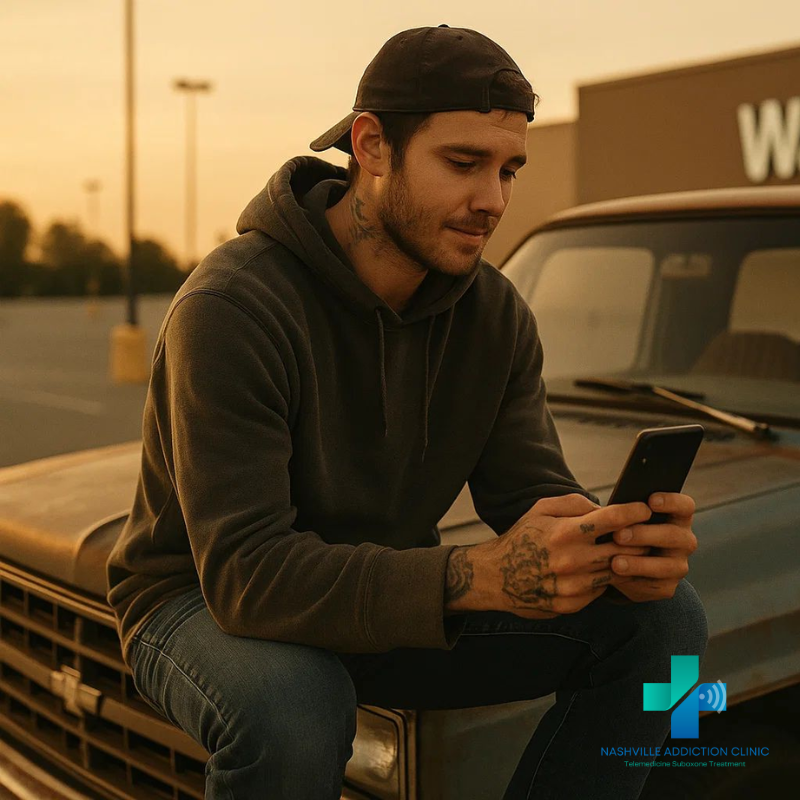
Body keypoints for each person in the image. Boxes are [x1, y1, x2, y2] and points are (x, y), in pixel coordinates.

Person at [105, 24, 708, 800]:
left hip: (387, 597)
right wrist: (470, 577)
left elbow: (528, 494)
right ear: (372, 146)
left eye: (509, 169)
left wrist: (605, 544)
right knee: (295, 703)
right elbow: (247, 576)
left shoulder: (495, 317)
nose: (491, 200)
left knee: (665, 624)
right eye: (463, 163)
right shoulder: (232, 307)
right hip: (202, 603)